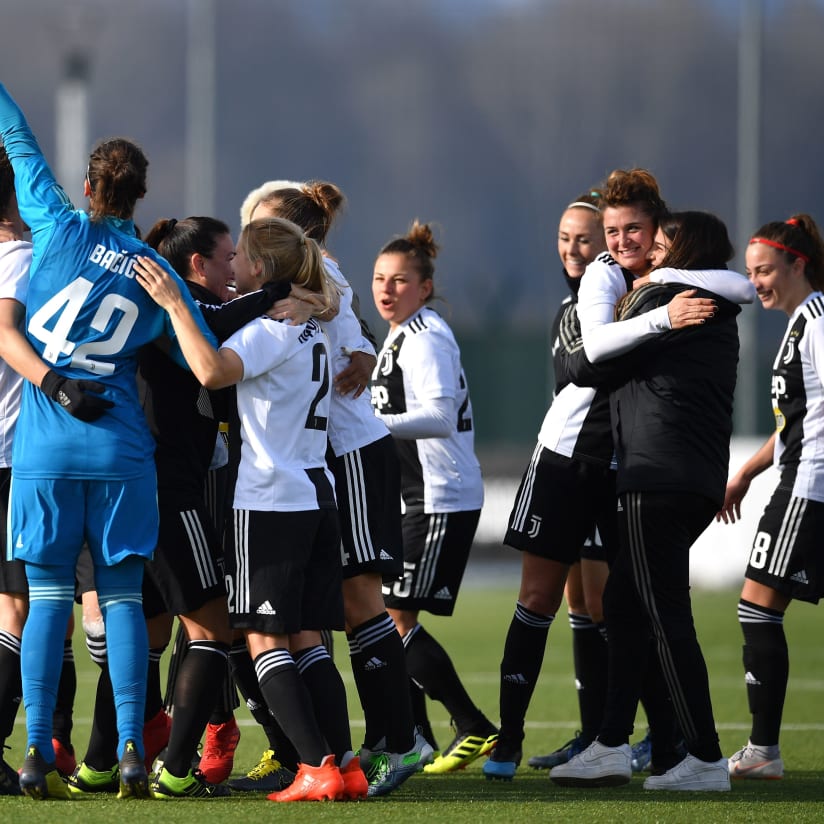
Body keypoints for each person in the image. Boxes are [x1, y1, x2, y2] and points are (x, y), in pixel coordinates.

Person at [0, 80, 215, 800]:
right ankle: (129, 750)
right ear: (141, 195)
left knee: (51, 594)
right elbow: (205, 364)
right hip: (122, 449)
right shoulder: (157, 274)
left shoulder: (57, 228)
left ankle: (35, 753)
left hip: (45, 448)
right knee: (123, 597)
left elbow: (18, 138)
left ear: (90, 185)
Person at [135, 215, 361, 803]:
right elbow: (326, 303)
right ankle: (346, 764)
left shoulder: (270, 329)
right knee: (308, 638)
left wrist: (174, 305)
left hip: (271, 498)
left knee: (262, 639)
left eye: (241, 257)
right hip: (316, 490)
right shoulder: (309, 324)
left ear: (260, 266)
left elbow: (209, 369)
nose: (232, 266)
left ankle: (315, 766)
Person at [550, 208, 756, 792]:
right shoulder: (720, 307)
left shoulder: (665, 298)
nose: (650, 254)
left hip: (653, 476)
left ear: (684, 251)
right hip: (693, 478)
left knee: (665, 616)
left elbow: (582, 363)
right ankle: (613, 744)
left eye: (662, 244)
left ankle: (705, 758)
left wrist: (624, 298)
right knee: (623, 605)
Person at [245, 180, 425, 797]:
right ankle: (349, 748)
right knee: (333, 613)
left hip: (351, 453)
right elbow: (351, 343)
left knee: (361, 604)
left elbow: (339, 325)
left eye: (266, 230)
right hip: (326, 460)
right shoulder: (307, 282)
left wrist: (319, 314)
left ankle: (399, 743)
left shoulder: (320, 276)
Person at [482, 192, 616, 781]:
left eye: (583, 238)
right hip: (561, 463)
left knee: (604, 604)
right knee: (541, 599)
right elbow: (579, 378)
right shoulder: (571, 308)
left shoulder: (628, 295)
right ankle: (508, 738)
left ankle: (603, 737)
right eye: (564, 238)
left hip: (613, 469)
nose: (571, 248)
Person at [370, 220, 498, 774]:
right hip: (413, 498)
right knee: (386, 615)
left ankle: (471, 726)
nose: (386, 289)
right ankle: (417, 736)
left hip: (439, 497)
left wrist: (372, 423)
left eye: (400, 280)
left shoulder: (427, 336)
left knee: (394, 616)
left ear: (424, 287)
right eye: (379, 278)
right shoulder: (399, 334)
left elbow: (441, 416)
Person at [717, 214, 824, 781]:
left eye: (764, 270)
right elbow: (796, 423)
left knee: (755, 605)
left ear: (797, 264)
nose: (755, 282)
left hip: (811, 486)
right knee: (759, 606)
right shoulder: (798, 324)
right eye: (750, 272)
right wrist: (748, 472)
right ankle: (764, 751)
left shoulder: (818, 322)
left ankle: (763, 753)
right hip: (797, 477)